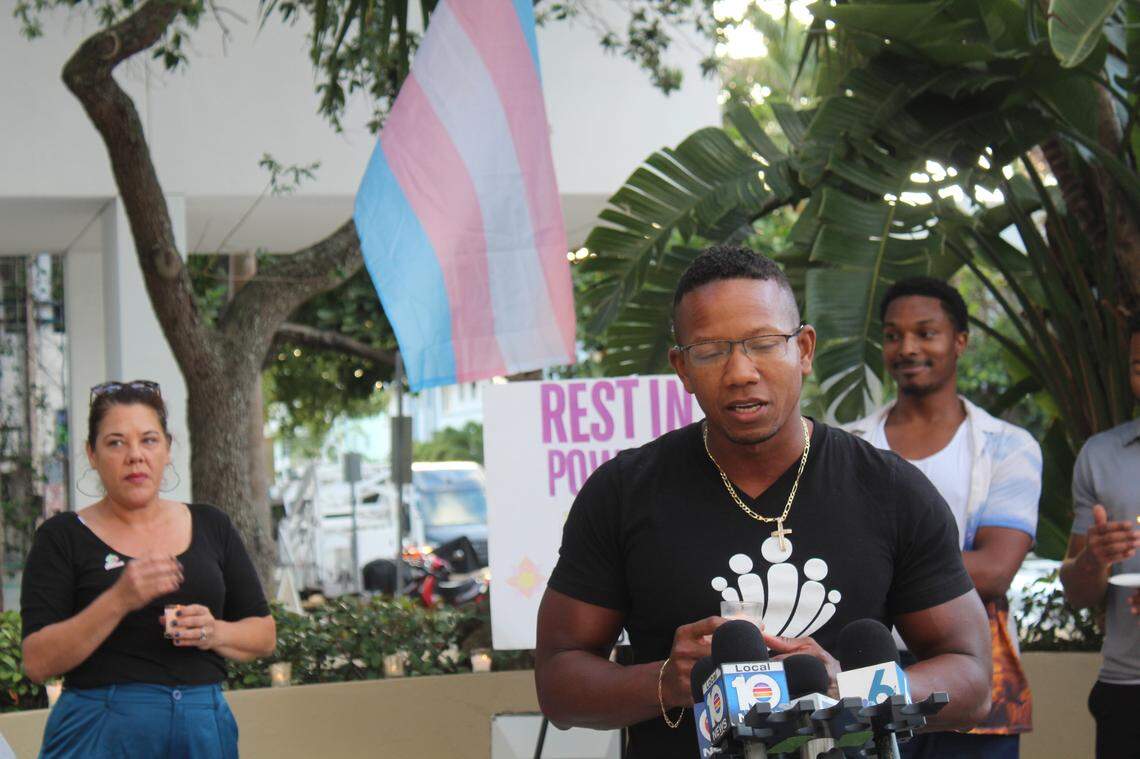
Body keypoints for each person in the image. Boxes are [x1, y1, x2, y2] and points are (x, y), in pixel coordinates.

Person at [534, 245, 992, 759]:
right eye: (710, 350)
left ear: (805, 349)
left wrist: (853, 692)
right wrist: (667, 680)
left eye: (765, 343)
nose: (740, 372)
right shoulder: (623, 492)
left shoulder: (891, 490)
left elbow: (972, 677)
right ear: (681, 368)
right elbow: (558, 682)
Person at [21, 380, 276, 758]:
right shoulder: (62, 536)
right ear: (91, 454)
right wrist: (119, 599)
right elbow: (37, 661)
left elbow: (264, 634)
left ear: (169, 449)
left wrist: (212, 631)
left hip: (201, 725)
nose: (135, 456)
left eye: (149, 440)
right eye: (116, 442)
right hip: (99, 728)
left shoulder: (212, 524)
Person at [846, 277, 1040, 759]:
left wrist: (879, 565)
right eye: (893, 335)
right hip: (865, 669)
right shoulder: (849, 447)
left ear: (959, 341)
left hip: (972, 667)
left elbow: (995, 571)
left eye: (925, 332)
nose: (907, 347)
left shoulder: (1006, 447)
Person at [1059, 315, 1140, 759]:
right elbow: (1076, 592)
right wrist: (1095, 557)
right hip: (1127, 688)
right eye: (1139, 367)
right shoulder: (1101, 456)